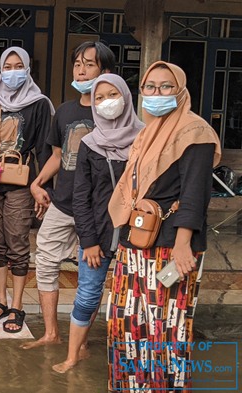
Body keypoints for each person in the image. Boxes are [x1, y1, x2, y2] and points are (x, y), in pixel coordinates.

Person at [106, 61, 221, 391]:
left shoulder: (194, 132)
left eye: (166, 86)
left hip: (172, 247)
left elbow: (195, 191)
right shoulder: (146, 133)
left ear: (180, 90)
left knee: (166, 329)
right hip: (136, 240)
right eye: (150, 87)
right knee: (128, 323)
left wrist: (184, 243)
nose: (157, 93)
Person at [22, 41, 115, 349]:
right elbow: (59, 155)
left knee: (91, 275)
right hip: (62, 203)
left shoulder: (115, 115)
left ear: (106, 71)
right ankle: (52, 332)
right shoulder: (64, 111)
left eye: (89, 64)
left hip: (98, 209)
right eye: (77, 63)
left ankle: (81, 340)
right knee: (46, 262)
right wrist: (38, 183)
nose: (81, 69)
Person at [52, 74, 144, 373]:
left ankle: (129, 358)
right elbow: (81, 197)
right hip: (98, 236)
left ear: (126, 97)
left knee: (134, 298)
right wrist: (88, 241)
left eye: (112, 94)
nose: (106, 102)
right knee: (88, 293)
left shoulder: (145, 139)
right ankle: (72, 354)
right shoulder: (90, 144)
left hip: (137, 236)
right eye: (100, 97)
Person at [0, 46, 53, 333]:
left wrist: (42, 186)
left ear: (27, 69)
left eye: (19, 66)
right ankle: (1, 301)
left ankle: (17, 306)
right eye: (8, 66)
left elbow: (44, 148)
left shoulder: (39, 104)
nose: (13, 71)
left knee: (17, 244)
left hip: (21, 183)